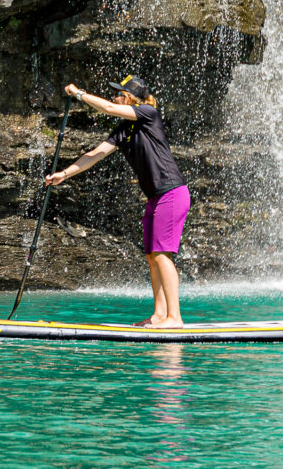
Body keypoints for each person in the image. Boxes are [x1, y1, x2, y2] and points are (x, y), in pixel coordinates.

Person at [44, 74, 189, 327]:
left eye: (118, 93)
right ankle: (158, 315)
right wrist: (63, 175)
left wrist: (78, 94)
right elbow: (95, 154)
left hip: (171, 193)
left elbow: (109, 108)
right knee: (152, 256)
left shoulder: (148, 113)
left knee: (162, 255)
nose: (114, 97)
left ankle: (174, 318)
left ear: (130, 98)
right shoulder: (125, 130)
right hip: (155, 197)